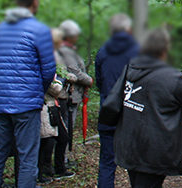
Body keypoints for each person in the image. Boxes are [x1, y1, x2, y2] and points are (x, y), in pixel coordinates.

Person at [0, 0, 55, 188]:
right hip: (26, 105)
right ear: (34, 2)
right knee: (27, 158)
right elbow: (49, 70)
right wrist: (37, 92)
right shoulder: (39, 30)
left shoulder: (0, 30)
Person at [114, 29, 182, 187]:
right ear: (164, 49)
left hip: (129, 144)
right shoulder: (168, 76)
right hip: (152, 149)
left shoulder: (131, 67)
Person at [95, 13, 139, 188]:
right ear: (128, 29)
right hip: (133, 114)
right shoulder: (137, 50)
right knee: (136, 165)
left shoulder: (103, 51)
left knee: (106, 164)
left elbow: (99, 82)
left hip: (108, 113)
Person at [39, 29, 72, 184]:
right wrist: (61, 80)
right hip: (45, 105)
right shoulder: (44, 59)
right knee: (47, 140)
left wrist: (64, 77)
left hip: (54, 105)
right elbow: (54, 87)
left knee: (61, 137)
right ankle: (44, 171)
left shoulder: (55, 57)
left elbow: (63, 73)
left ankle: (57, 168)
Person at [58, 19, 93, 159]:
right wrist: (89, 80)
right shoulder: (65, 51)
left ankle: (64, 158)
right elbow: (75, 72)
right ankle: (63, 160)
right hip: (69, 95)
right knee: (67, 128)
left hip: (72, 95)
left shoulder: (67, 49)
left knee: (67, 127)